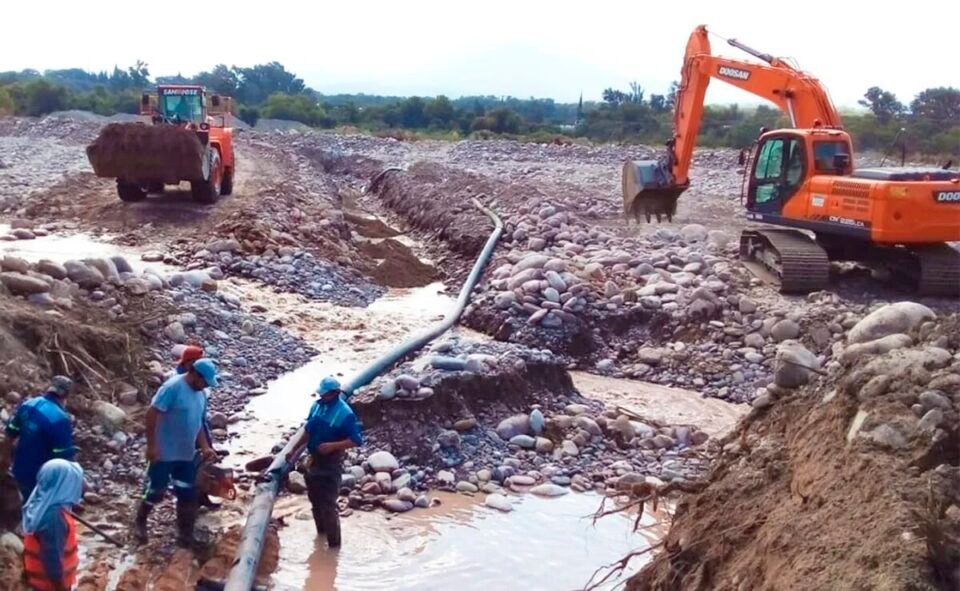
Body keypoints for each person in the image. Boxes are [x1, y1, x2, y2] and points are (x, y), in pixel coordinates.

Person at [133, 358, 218, 547]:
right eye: (204, 382)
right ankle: (140, 522)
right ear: (194, 374)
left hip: (186, 454)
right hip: (164, 452)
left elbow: (198, 423)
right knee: (156, 491)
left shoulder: (201, 394)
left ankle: (185, 535)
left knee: (187, 492)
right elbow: (152, 414)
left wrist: (205, 447)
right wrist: (152, 445)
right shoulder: (172, 387)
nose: (205, 386)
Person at [287, 376, 363, 548]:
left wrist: (332, 446)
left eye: (325, 394)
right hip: (313, 460)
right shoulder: (316, 406)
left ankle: (334, 547)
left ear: (335, 393)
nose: (322, 396)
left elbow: (356, 440)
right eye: (321, 394)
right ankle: (320, 537)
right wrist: (293, 450)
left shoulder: (345, 413)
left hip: (331, 463)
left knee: (328, 506)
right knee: (315, 502)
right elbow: (307, 431)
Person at [3, 377, 76, 500]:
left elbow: (9, 434)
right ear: (66, 396)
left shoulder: (28, 404)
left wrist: (5, 462)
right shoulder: (60, 419)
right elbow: (65, 458)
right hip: (39, 480)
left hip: (18, 471)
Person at [21, 459, 83, 591]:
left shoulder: (37, 503)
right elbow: (52, 557)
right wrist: (60, 586)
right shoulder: (54, 518)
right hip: (51, 585)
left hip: (38, 582)